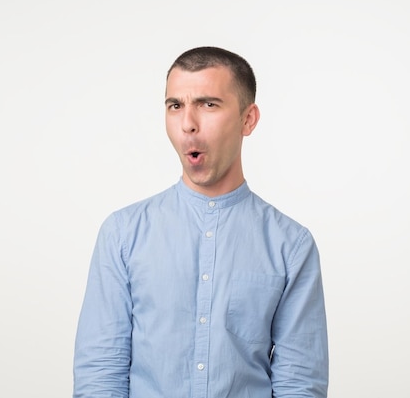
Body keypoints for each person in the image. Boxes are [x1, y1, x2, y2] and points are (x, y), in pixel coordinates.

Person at [73, 46, 329, 397]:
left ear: (248, 119)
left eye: (208, 104)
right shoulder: (122, 234)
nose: (188, 123)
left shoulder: (291, 245)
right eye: (175, 105)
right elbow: (100, 374)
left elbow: (299, 383)